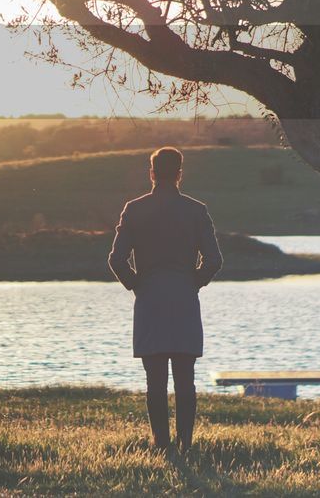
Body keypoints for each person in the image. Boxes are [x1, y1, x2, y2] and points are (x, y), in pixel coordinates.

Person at [108, 146, 224, 451]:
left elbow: (117, 260)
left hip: (150, 300)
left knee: (155, 381)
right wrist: (193, 283)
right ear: (180, 175)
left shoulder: (134, 209)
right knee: (185, 379)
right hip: (184, 299)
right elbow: (214, 260)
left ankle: (161, 443)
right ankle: (186, 443)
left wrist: (137, 285)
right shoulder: (196, 210)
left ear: (152, 173)